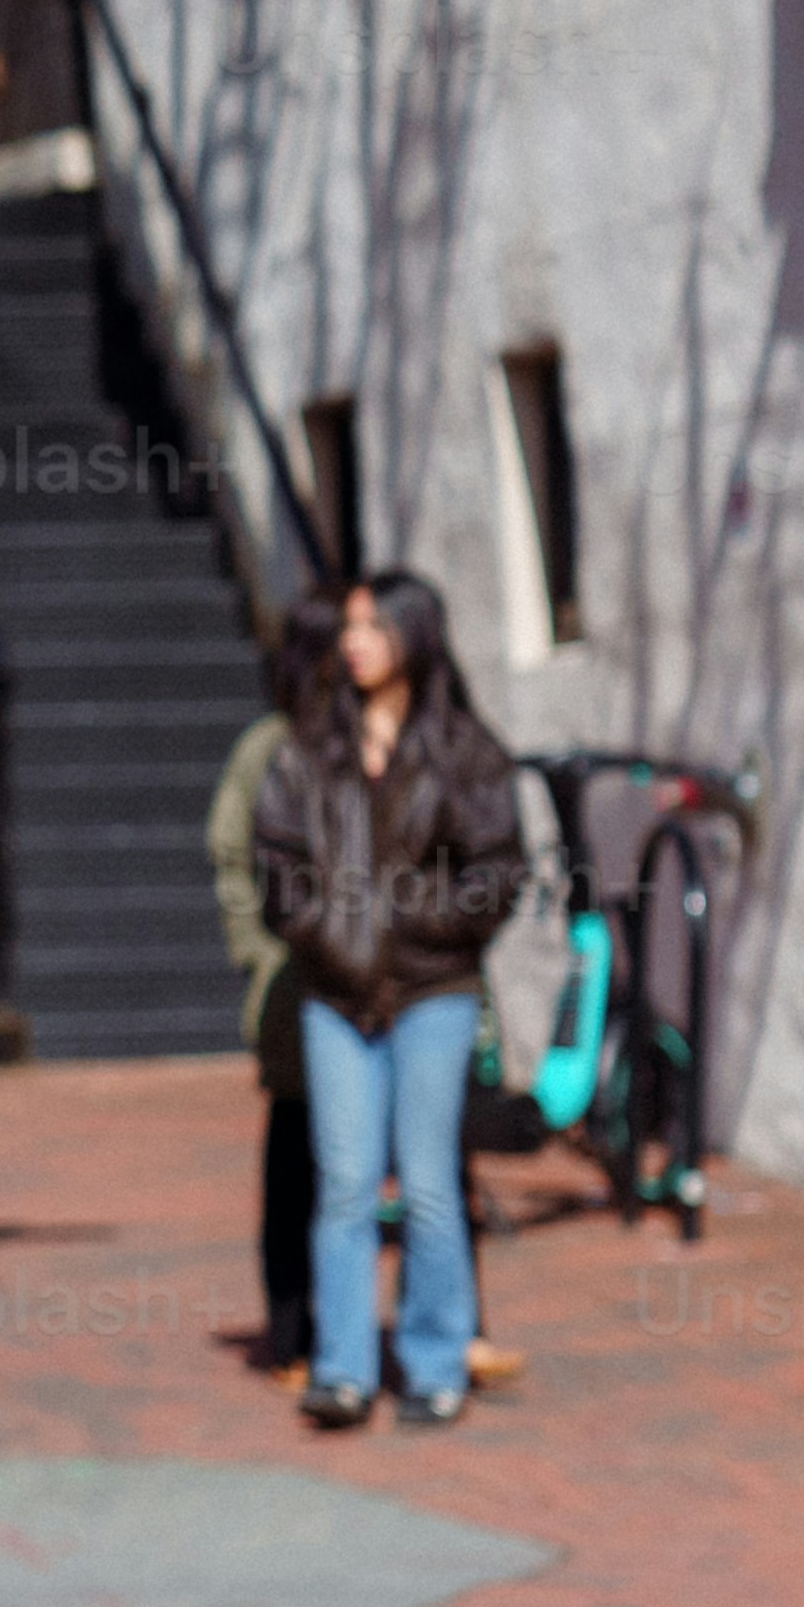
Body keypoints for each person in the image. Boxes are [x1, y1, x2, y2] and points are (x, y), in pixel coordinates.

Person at [255, 566, 531, 1431]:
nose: (354, 640)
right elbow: (276, 867)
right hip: (335, 996)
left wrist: (414, 924)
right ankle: (341, 1367)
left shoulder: (464, 752)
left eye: (373, 625)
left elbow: (498, 871)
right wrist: (330, 935)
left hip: (431, 992)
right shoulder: (306, 751)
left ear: (415, 635)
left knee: (428, 1184)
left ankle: (435, 1358)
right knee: (342, 1183)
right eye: (350, 626)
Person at [204, 590, 339, 1351]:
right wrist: (256, 954)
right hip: (294, 984)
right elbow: (229, 851)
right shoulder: (270, 747)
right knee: (295, 1157)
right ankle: (291, 1326)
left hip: (375, 985)